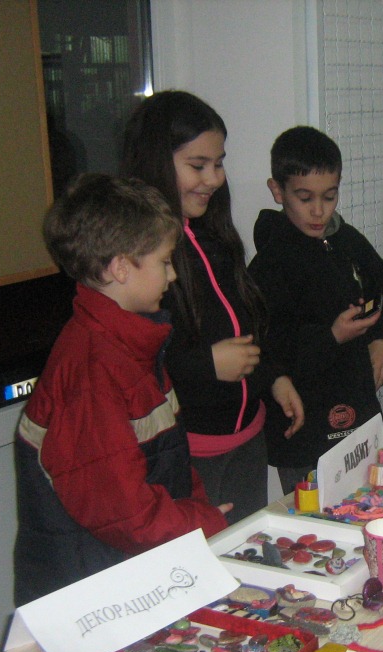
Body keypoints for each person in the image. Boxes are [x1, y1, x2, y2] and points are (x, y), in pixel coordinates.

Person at [13, 174, 232, 604]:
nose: (172, 275)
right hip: (91, 593)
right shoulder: (92, 369)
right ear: (120, 267)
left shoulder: (133, 344)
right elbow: (126, 514)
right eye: (164, 262)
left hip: (136, 570)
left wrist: (198, 514)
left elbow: (170, 460)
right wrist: (201, 524)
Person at [121, 91, 303, 519]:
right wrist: (206, 364)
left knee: (246, 550)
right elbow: (137, 361)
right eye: (198, 165)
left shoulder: (216, 234)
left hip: (248, 437)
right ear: (157, 163)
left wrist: (272, 376)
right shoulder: (138, 259)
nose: (215, 179)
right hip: (190, 449)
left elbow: (247, 324)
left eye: (218, 163)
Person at [249, 126, 383, 493]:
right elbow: (268, 353)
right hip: (305, 432)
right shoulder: (269, 266)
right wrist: (332, 336)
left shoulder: (348, 242)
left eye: (329, 196)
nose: (318, 211)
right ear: (277, 191)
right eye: (304, 198)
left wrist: (382, 338)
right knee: (313, 520)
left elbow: (377, 304)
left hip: (359, 416)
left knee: (375, 505)